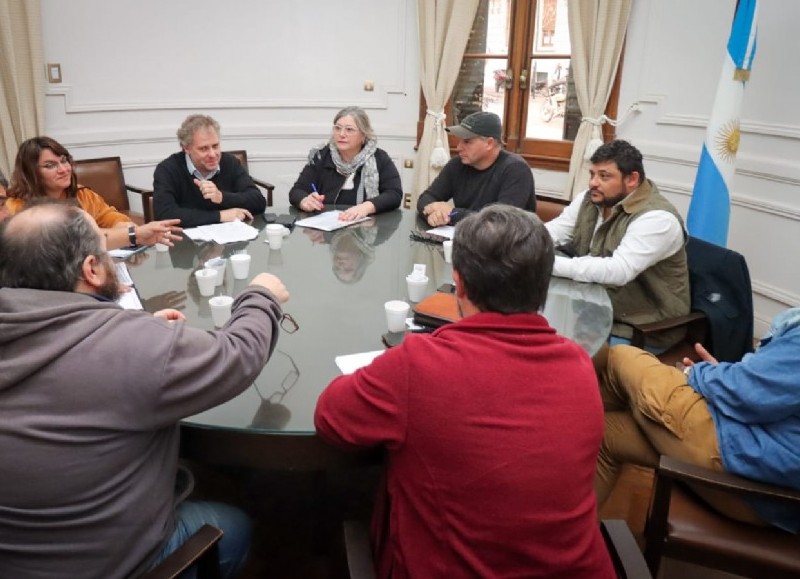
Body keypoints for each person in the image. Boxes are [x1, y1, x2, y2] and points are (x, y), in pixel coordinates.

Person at [315, 205, 614, 578]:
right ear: (544, 285)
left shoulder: (418, 365)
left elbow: (330, 417)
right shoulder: (579, 365)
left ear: (460, 282)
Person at [0, 202, 290, 578]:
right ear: (91, 269)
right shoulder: (132, 346)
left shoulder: (125, 343)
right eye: (104, 250)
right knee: (234, 525)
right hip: (111, 565)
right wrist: (259, 296)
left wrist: (135, 337)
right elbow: (237, 355)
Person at [595, 309, 800, 534]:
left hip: (745, 471)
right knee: (605, 434)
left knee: (618, 358)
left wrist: (697, 374)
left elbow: (747, 393)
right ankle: (565, 547)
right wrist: (725, 379)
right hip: (774, 501)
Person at [545, 139, 689, 350]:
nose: (593, 182)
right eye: (592, 174)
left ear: (632, 179)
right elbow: (555, 231)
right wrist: (518, 243)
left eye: (604, 176)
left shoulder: (658, 218)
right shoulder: (591, 199)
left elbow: (618, 270)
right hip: (592, 309)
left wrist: (544, 262)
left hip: (641, 326)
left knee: (564, 358)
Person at [6, 136, 181, 250]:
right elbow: (68, 243)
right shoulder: (15, 207)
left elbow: (113, 217)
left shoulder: (82, 194)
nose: (63, 169)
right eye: (50, 165)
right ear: (31, 172)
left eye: (64, 161)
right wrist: (128, 235)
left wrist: (124, 229)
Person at [416, 111, 536, 227]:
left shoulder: (516, 170)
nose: (459, 147)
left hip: (510, 245)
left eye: (467, 142)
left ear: (489, 143)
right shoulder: (457, 164)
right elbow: (426, 198)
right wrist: (435, 214)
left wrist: (452, 213)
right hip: (466, 240)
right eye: (460, 141)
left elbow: (500, 222)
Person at [288, 106, 403, 221]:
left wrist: (366, 207)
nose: (341, 134)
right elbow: (297, 190)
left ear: (363, 135)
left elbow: (394, 194)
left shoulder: (379, 158)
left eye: (349, 129)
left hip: (367, 229)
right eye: (337, 128)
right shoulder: (321, 156)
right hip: (326, 231)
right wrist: (304, 201)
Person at [154, 114, 267, 227]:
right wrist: (219, 216)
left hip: (230, 238)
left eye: (215, 146)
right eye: (204, 149)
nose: (213, 154)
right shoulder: (167, 169)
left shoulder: (230, 163)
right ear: (187, 148)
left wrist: (222, 197)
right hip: (186, 241)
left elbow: (259, 202)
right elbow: (165, 215)